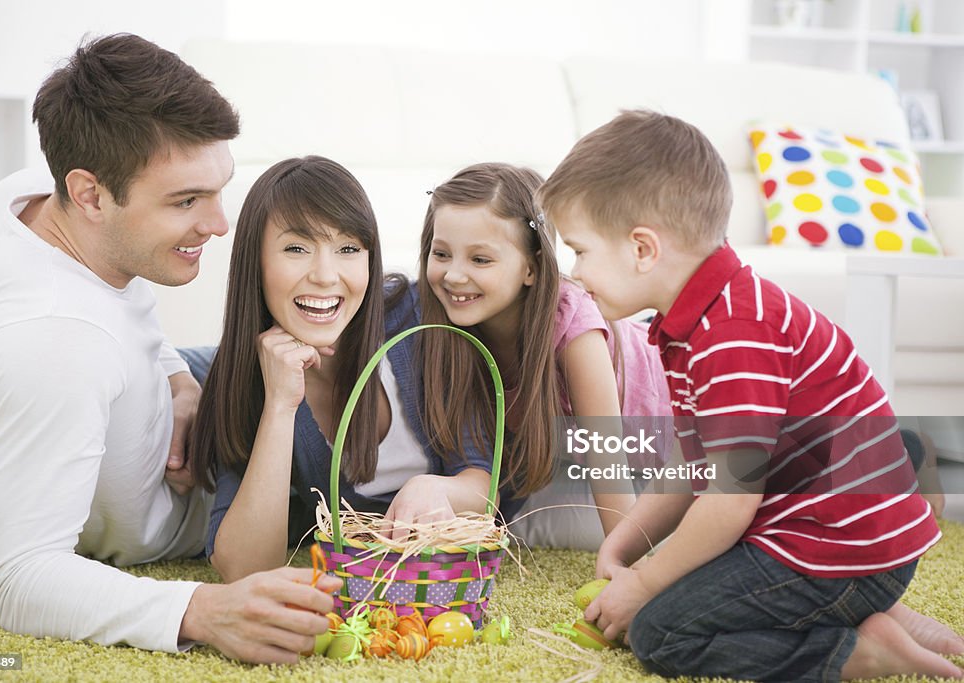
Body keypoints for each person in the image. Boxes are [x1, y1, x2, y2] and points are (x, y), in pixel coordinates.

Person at [0, 34, 340, 665]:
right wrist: (202, 610)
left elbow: (126, 316)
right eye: (185, 201)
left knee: (379, 338)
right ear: (91, 194)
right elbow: (18, 579)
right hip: (214, 497)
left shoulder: (23, 202)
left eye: (216, 189)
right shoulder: (52, 346)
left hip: (186, 402)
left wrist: (178, 383)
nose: (218, 224)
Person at [538, 109, 964, 681]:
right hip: (823, 535)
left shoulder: (735, 333)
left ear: (642, 249)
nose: (575, 273)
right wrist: (626, 547)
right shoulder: (694, 322)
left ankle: (861, 650)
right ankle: (875, 612)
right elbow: (691, 465)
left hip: (841, 546)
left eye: (581, 250)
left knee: (659, 631)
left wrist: (643, 582)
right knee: (684, 575)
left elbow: (729, 501)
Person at [188, 156, 497, 583]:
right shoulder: (247, 378)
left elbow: (487, 489)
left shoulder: (416, 320)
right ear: (254, 262)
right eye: (296, 248)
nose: (325, 275)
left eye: (349, 249)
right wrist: (280, 404)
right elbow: (245, 567)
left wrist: (434, 487)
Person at [416, 162, 671, 551]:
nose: (453, 275)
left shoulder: (572, 324)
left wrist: (626, 571)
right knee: (522, 530)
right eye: (442, 254)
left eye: (479, 259)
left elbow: (608, 462)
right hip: (579, 456)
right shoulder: (451, 325)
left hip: (675, 430)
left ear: (531, 268)